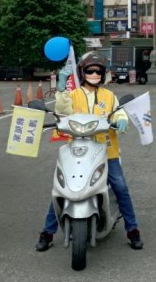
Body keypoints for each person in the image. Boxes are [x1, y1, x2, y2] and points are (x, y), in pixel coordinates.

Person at [34, 52, 144, 251]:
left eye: (98, 71)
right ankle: (47, 232)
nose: (94, 74)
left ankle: (132, 229)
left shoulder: (108, 96)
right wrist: (61, 88)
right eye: (90, 71)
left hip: (106, 151)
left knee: (120, 187)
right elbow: (63, 110)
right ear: (82, 73)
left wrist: (121, 120)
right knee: (63, 188)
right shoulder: (73, 95)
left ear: (103, 74)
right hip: (77, 149)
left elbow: (118, 111)